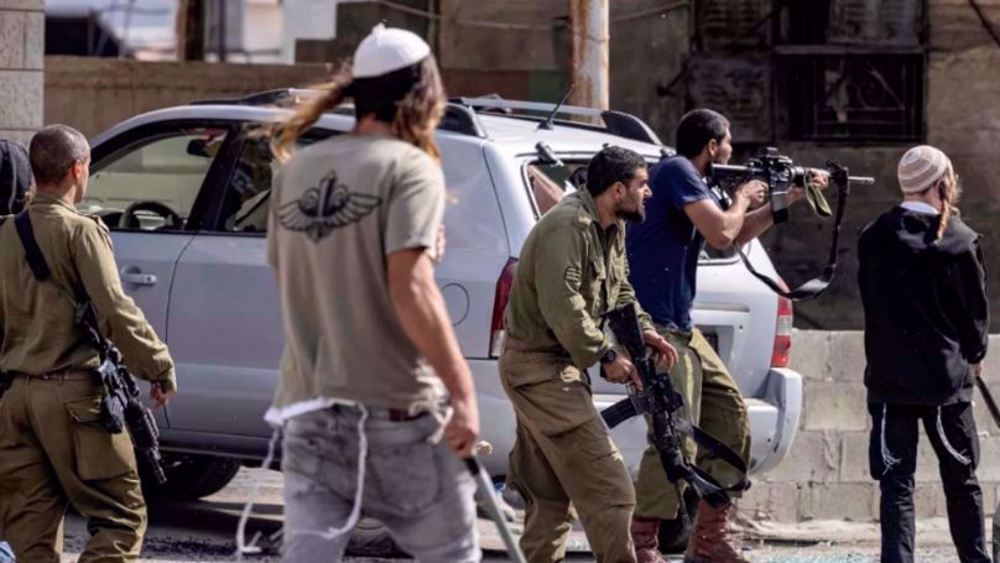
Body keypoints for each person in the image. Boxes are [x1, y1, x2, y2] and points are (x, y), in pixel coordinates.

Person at [265, 24, 481, 562]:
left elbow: (295, 273)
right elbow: (410, 287)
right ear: (424, 91)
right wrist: (463, 393)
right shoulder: (412, 168)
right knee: (452, 553)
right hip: (396, 410)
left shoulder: (296, 172)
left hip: (308, 408)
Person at [625, 108, 828, 563]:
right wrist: (742, 196)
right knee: (673, 433)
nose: (733, 150)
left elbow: (733, 238)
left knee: (732, 418)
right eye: (729, 142)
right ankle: (642, 545)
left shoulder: (694, 185)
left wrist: (788, 198)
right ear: (713, 146)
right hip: (656, 327)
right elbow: (721, 232)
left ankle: (710, 540)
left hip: (681, 327)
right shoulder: (677, 170)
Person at [0, 125, 177, 561]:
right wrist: (157, 365)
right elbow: (115, 310)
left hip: (16, 398)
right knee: (120, 517)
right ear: (79, 169)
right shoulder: (81, 231)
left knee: (29, 532)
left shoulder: (3, 234)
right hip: (75, 397)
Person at [500, 145, 678, 563]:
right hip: (539, 369)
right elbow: (563, 304)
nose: (649, 193)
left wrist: (645, 332)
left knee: (549, 495)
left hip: (553, 368)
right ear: (618, 189)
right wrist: (605, 355)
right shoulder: (569, 227)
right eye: (642, 184)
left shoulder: (610, 226)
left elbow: (620, 292)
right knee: (611, 489)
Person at [858, 145, 990, 563]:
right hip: (945, 383)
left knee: (897, 485)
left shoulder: (874, 236)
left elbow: (872, 302)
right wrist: (974, 352)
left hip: (890, 382)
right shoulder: (961, 240)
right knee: (962, 480)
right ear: (942, 183)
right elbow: (974, 313)